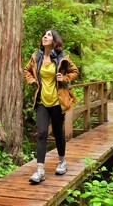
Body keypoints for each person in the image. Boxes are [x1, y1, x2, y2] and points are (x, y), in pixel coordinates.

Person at [24, 29, 79, 183]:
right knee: (41, 133)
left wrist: (65, 78)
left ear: (54, 41)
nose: (44, 37)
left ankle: (62, 161)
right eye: (44, 35)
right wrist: (31, 81)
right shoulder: (37, 56)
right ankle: (40, 170)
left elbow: (75, 71)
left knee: (57, 132)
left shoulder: (63, 57)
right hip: (42, 101)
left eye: (48, 35)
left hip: (57, 102)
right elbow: (27, 71)